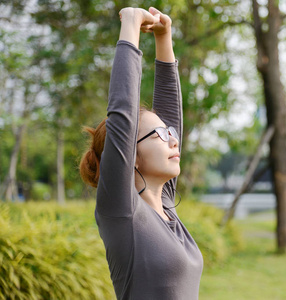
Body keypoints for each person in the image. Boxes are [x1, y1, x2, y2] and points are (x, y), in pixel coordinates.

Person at [79, 7, 203, 299]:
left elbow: (170, 112)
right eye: (161, 135)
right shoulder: (122, 211)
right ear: (129, 155)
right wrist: (131, 25)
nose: (173, 140)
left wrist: (164, 36)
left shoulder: (166, 205)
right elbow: (122, 113)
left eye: (171, 134)